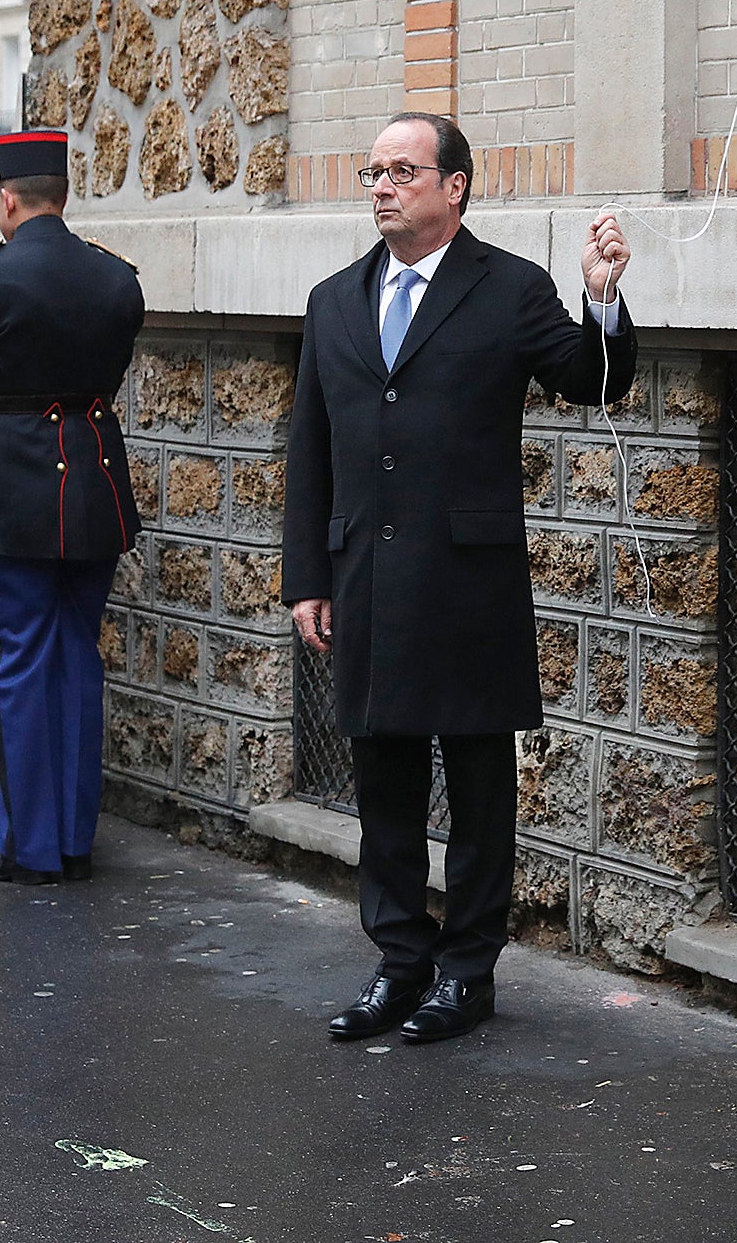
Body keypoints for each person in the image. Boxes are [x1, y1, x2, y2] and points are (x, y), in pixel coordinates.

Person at [282, 111, 635, 1045]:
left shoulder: (509, 288)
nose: (384, 187)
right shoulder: (333, 300)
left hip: (467, 581)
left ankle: (466, 970)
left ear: (455, 186)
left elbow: (592, 379)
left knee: (479, 787)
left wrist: (600, 298)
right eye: (373, 172)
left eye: (404, 171)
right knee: (383, 784)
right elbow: (308, 449)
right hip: (363, 578)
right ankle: (400, 962)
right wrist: (305, 579)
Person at [0, 130, 145, 885]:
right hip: (93, 489)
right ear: (63, 195)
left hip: (12, 492)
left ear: (5, 200)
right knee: (77, 663)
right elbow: (108, 381)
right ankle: (75, 841)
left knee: (17, 667)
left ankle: (31, 848)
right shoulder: (118, 279)